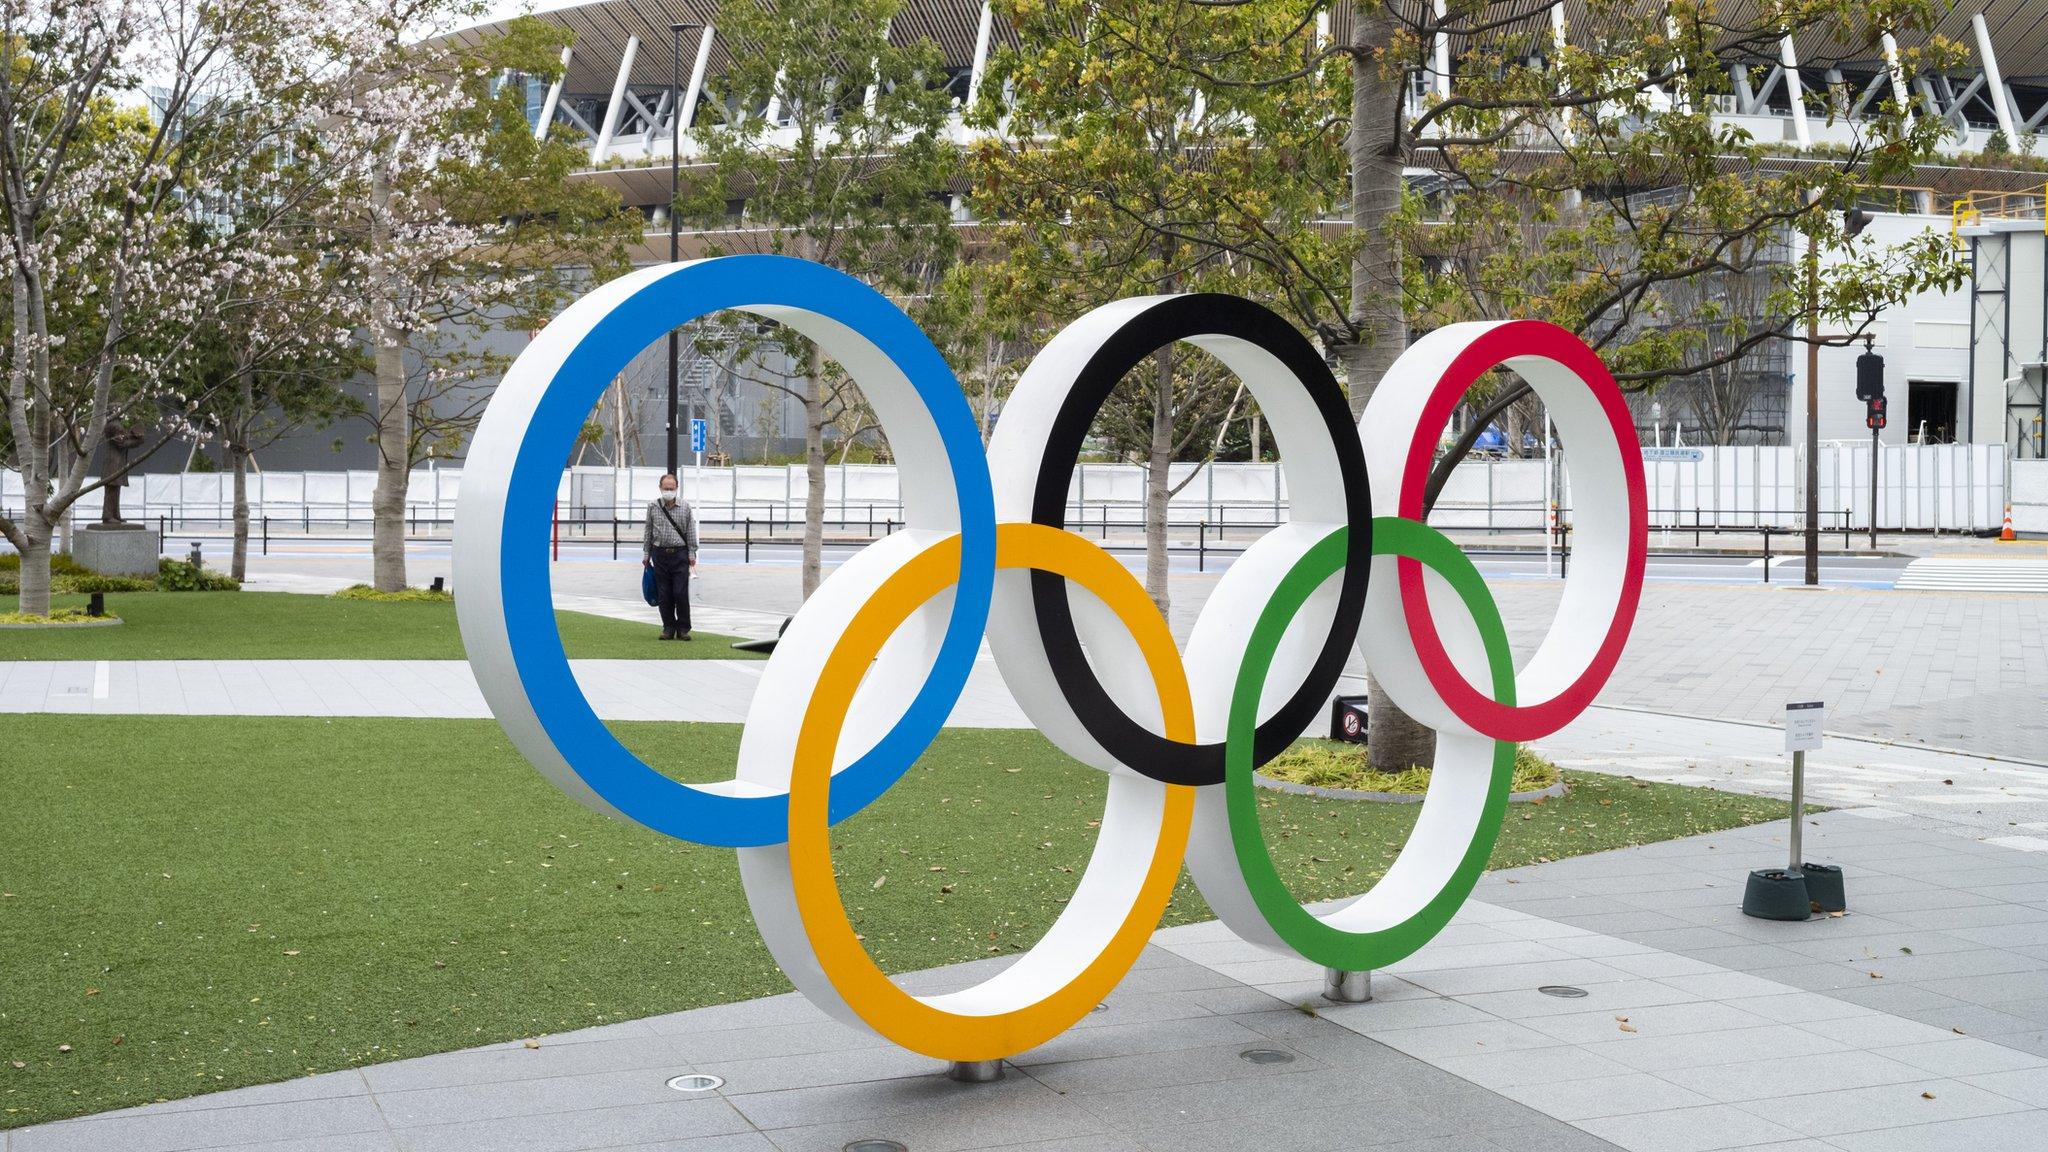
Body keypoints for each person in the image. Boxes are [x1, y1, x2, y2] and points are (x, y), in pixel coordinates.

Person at [642, 474, 698, 640]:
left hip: (680, 553)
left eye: (671, 488)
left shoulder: (685, 507)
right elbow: (648, 530)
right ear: (660, 488)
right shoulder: (653, 506)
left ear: (677, 488)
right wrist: (646, 553)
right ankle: (668, 627)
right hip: (659, 554)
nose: (668, 491)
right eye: (665, 488)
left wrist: (692, 552)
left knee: (680, 592)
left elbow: (690, 531)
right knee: (664, 593)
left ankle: (683, 628)